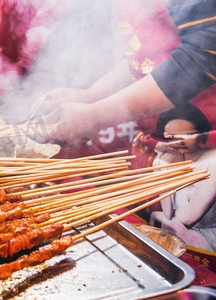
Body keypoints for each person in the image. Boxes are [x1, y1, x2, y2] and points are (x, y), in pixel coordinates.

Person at [32, 0, 216, 151]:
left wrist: (95, 116)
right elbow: (146, 55)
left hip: (205, 144)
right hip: (159, 143)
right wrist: (91, 94)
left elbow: (201, 56)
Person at [149, 103, 216, 252]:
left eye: (188, 135)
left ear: (202, 135)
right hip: (176, 233)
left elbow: (188, 217)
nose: (180, 141)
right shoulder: (164, 161)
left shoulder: (213, 162)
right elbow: (168, 213)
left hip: (209, 239)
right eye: (172, 137)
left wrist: (162, 218)